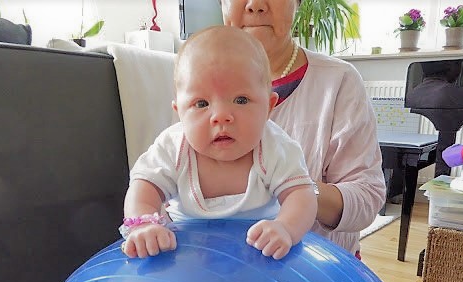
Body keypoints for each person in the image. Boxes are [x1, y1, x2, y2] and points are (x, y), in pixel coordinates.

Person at [121, 26, 317, 260]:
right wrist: (144, 224)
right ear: (180, 113)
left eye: (241, 100)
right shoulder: (174, 147)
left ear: (269, 106)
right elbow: (144, 185)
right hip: (187, 254)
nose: (221, 116)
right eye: (202, 104)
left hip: (260, 252)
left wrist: (286, 227)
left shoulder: (275, 147)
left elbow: (301, 195)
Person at [220, 0, 386, 258]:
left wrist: (296, 189)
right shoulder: (199, 85)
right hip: (227, 268)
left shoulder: (338, 81)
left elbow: (366, 198)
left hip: (319, 272)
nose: (254, 5)